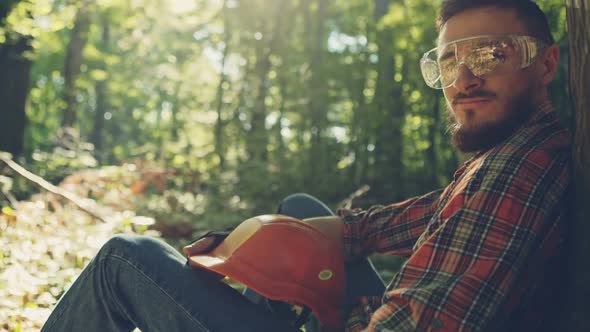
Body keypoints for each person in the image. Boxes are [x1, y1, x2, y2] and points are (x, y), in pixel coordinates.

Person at [41, 0, 571, 331]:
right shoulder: (509, 155)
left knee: (124, 258)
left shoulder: (515, 170)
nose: (463, 79)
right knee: (300, 212)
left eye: (489, 55)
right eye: (450, 61)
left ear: (544, 62)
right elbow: (377, 226)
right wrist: (239, 246)